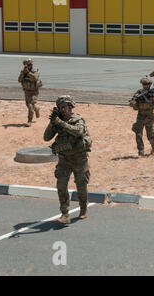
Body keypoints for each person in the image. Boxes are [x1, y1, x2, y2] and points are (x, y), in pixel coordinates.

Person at [43, 95, 92, 224]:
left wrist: (61, 123)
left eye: (65, 107)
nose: (63, 109)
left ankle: (83, 207)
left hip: (79, 159)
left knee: (81, 185)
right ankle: (64, 213)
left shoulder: (78, 119)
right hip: (64, 159)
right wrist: (52, 122)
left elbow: (78, 132)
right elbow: (46, 137)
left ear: (71, 107)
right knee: (61, 184)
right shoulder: (58, 121)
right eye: (60, 107)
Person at [129, 77, 154, 157]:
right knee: (138, 134)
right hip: (141, 115)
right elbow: (132, 104)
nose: (145, 86)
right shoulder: (139, 93)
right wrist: (133, 103)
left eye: (147, 84)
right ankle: (141, 151)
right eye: (144, 84)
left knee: (150, 134)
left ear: (150, 84)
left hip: (150, 115)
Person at [18, 58, 42, 126]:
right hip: (27, 91)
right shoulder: (24, 71)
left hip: (34, 91)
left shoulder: (35, 70)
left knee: (30, 106)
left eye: (30, 64)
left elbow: (35, 78)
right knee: (28, 105)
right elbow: (19, 80)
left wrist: (28, 73)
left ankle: (29, 121)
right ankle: (37, 109)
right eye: (27, 65)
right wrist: (23, 73)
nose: (29, 66)